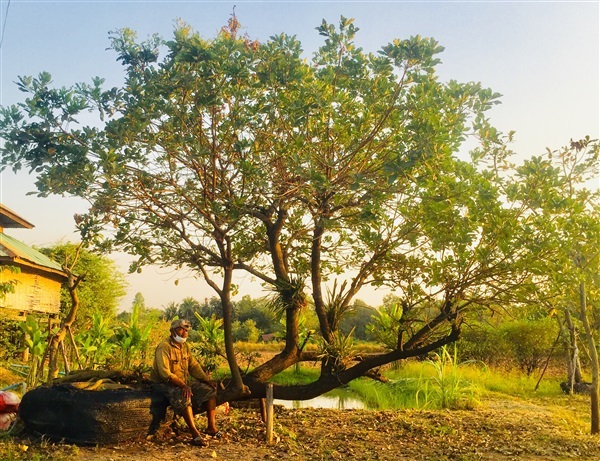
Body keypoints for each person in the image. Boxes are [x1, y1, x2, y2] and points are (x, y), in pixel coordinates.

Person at [150, 318, 221, 447]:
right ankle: (195, 434)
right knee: (184, 394)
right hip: (163, 383)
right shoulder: (164, 347)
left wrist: (206, 379)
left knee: (209, 391)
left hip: (182, 381)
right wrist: (183, 385)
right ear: (172, 331)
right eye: (181, 329)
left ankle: (211, 427)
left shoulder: (184, 346)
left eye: (186, 330)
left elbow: (193, 366)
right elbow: (164, 373)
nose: (184, 332)